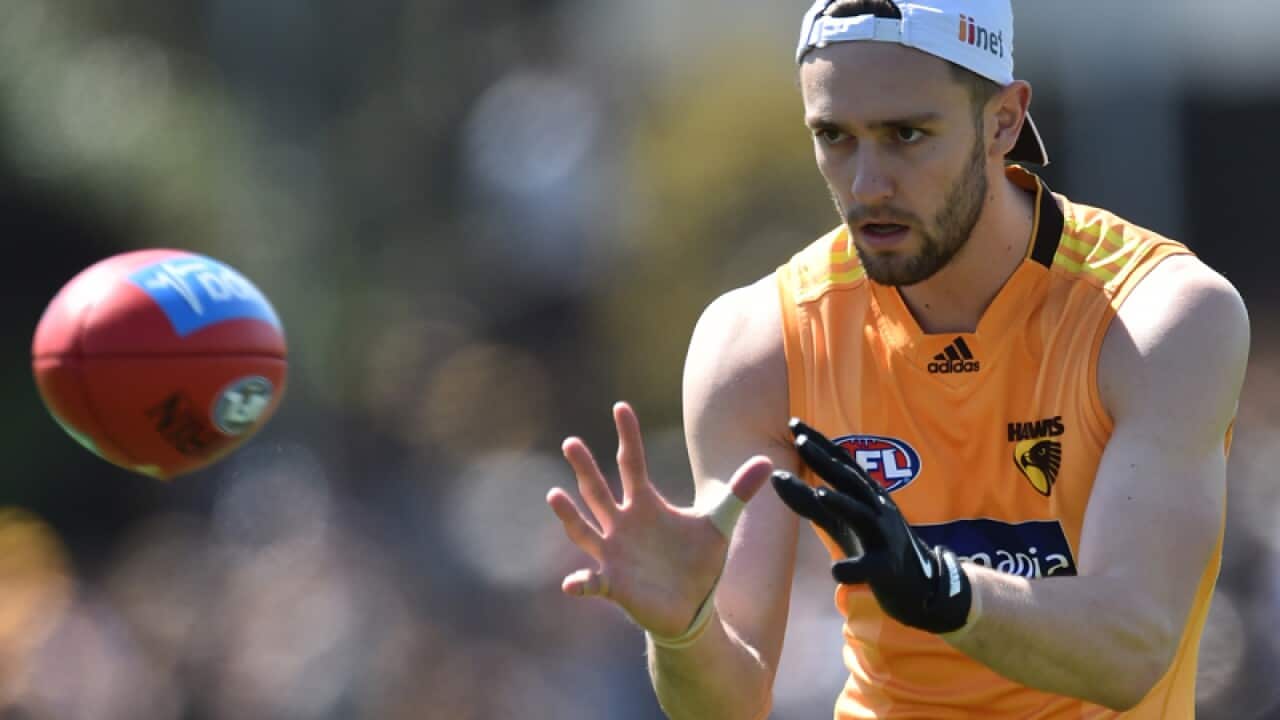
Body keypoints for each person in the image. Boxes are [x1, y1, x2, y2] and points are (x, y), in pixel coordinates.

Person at [545, 0, 1251, 716]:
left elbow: (1130, 648)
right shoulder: (757, 343)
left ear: (1003, 120)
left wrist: (939, 586)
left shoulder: (1158, 316)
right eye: (834, 136)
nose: (866, 184)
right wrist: (685, 631)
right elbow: (729, 703)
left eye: (907, 134)